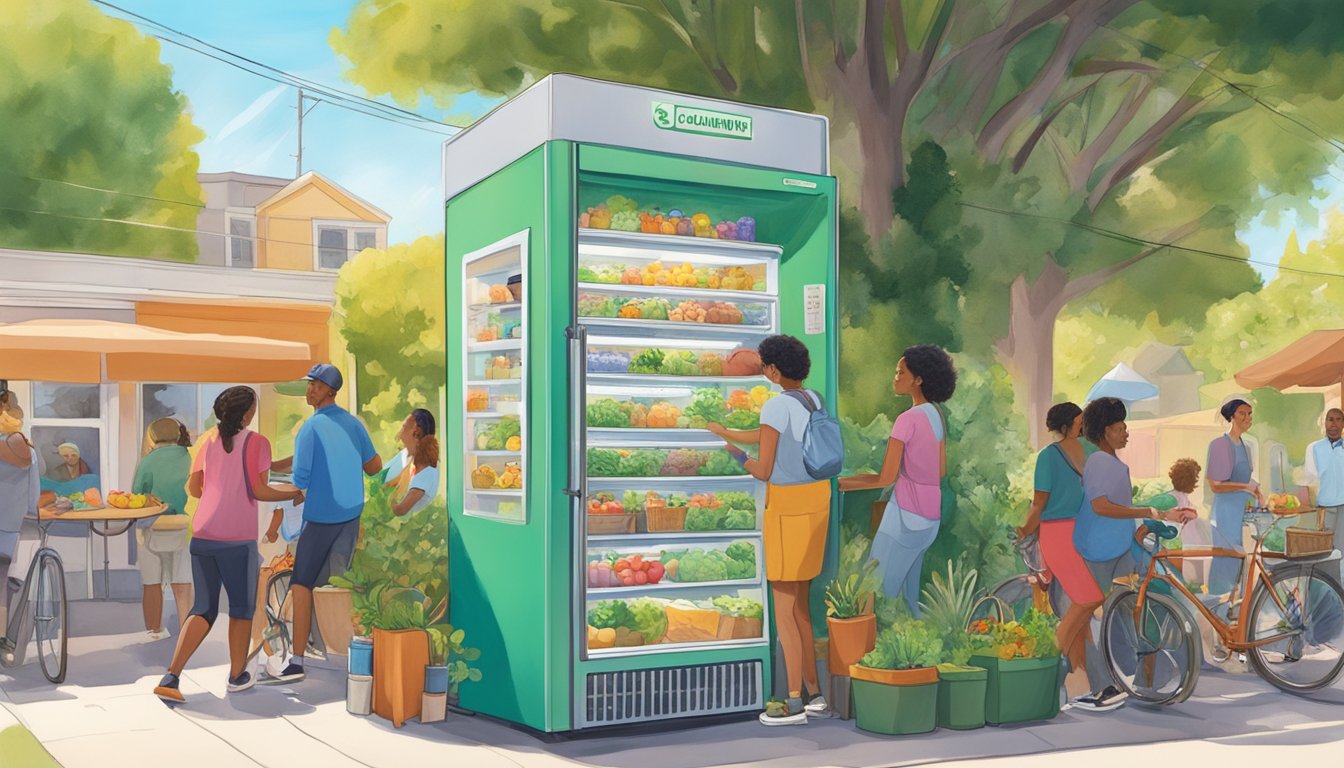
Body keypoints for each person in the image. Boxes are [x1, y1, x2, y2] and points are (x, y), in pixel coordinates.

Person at [706, 335, 831, 726]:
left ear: (774, 370)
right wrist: (725, 431)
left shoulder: (774, 405)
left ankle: (792, 701)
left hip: (787, 510)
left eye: (765, 366)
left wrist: (736, 455)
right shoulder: (813, 399)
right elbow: (769, 437)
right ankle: (816, 693)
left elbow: (764, 468)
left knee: (783, 610)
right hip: (816, 503)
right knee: (803, 607)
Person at [153, 387, 303, 703]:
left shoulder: (207, 440)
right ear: (247, 413)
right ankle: (237, 676)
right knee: (241, 607)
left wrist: (220, 489)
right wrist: (293, 493)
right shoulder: (257, 442)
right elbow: (260, 491)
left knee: (203, 608)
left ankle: (172, 676)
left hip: (204, 534)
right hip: (237, 538)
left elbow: (194, 489)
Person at [1072, 397, 1195, 712]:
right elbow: (1100, 506)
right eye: (1119, 428)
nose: (1125, 433)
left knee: (1128, 612)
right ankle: (1106, 686)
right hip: (1097, 549)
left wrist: (1142, 526)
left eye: (1125, 426)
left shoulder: (1115, 463)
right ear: (1103, 432)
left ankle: (1138, 679)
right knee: (1097, 617)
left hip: (1118, 546)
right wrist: (1150, 511)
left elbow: (1119, 509)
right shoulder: (1100, 462)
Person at [269, 364, 380, 683]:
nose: (309, 391)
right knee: (339, 584)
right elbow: (373, 467)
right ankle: (349, 657)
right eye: (309, 385)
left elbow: (300, 479)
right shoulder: (353, 424)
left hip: (320, 518)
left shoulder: (310, 428)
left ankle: (298, 660)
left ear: (329, 391)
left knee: (302, 585)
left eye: (315, 386)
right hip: (351, 516)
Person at [842, 345, 958, 616]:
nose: (894, 377)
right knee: (909, 598)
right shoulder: (936, 415)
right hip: (929, 518)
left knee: (877, 591)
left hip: (904, 516)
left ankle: (873, 653)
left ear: (918, 380)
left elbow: (886, 478)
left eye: (900, 372)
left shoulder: (907, 420)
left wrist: (843, 484)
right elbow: (940, 470)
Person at [1015, 402, 1099, 701]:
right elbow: (1040, 503)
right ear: (1065, 424)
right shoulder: (1049, 457)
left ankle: (1079, 681)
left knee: (1082, 606)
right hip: (1057, 533)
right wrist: (1025, 529)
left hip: (1083, 531)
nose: (1081, 424)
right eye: (1077, 420)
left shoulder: (1089, 451)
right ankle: (1052, 652)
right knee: (1089, 598)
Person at [131, 418, 194, 641]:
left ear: (151, 436)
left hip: (153, 526)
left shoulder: (148, 462)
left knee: (151, 582)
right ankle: (186, 627)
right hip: (185, 526)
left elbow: (137, 495)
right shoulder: (190, 458)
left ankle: (153, 630)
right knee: (182, 580)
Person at [1206, 398, 1261, 597]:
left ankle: (1237, 610)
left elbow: (1244, 479)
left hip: (1241, 514)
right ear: (1231, 417)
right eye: (1242, 414)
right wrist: (1245, 486)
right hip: (1225, 516)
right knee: (1226, 563)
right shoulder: (1220, 445)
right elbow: (1216, 485)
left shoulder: (1245, 447)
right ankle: (1217, 607)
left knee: (1242, 564)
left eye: (1250, 414)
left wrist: (1254, 487)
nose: (1248, 418)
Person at [0, 404, 38, 656]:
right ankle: (3, 637)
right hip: (12, 525)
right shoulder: (30, 452)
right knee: (3, 584)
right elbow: (34, 493)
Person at [1301, 407, 1344, 584]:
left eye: (1338, 420)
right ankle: (1327, 594)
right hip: (1323, 509)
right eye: (1329, 419)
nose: (1333, 424)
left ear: (1343, 424)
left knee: (1342, 554)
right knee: (1324, 555)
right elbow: (1310, 481)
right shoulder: (1314, 448)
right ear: (1324, 422)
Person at [382, 409, 441, 517]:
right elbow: (395, 481)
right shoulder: (410, 458)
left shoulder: (425, 471)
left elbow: (400, 510)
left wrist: (387, 502)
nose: (400, 432)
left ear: (416, 433)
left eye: (404, 427)